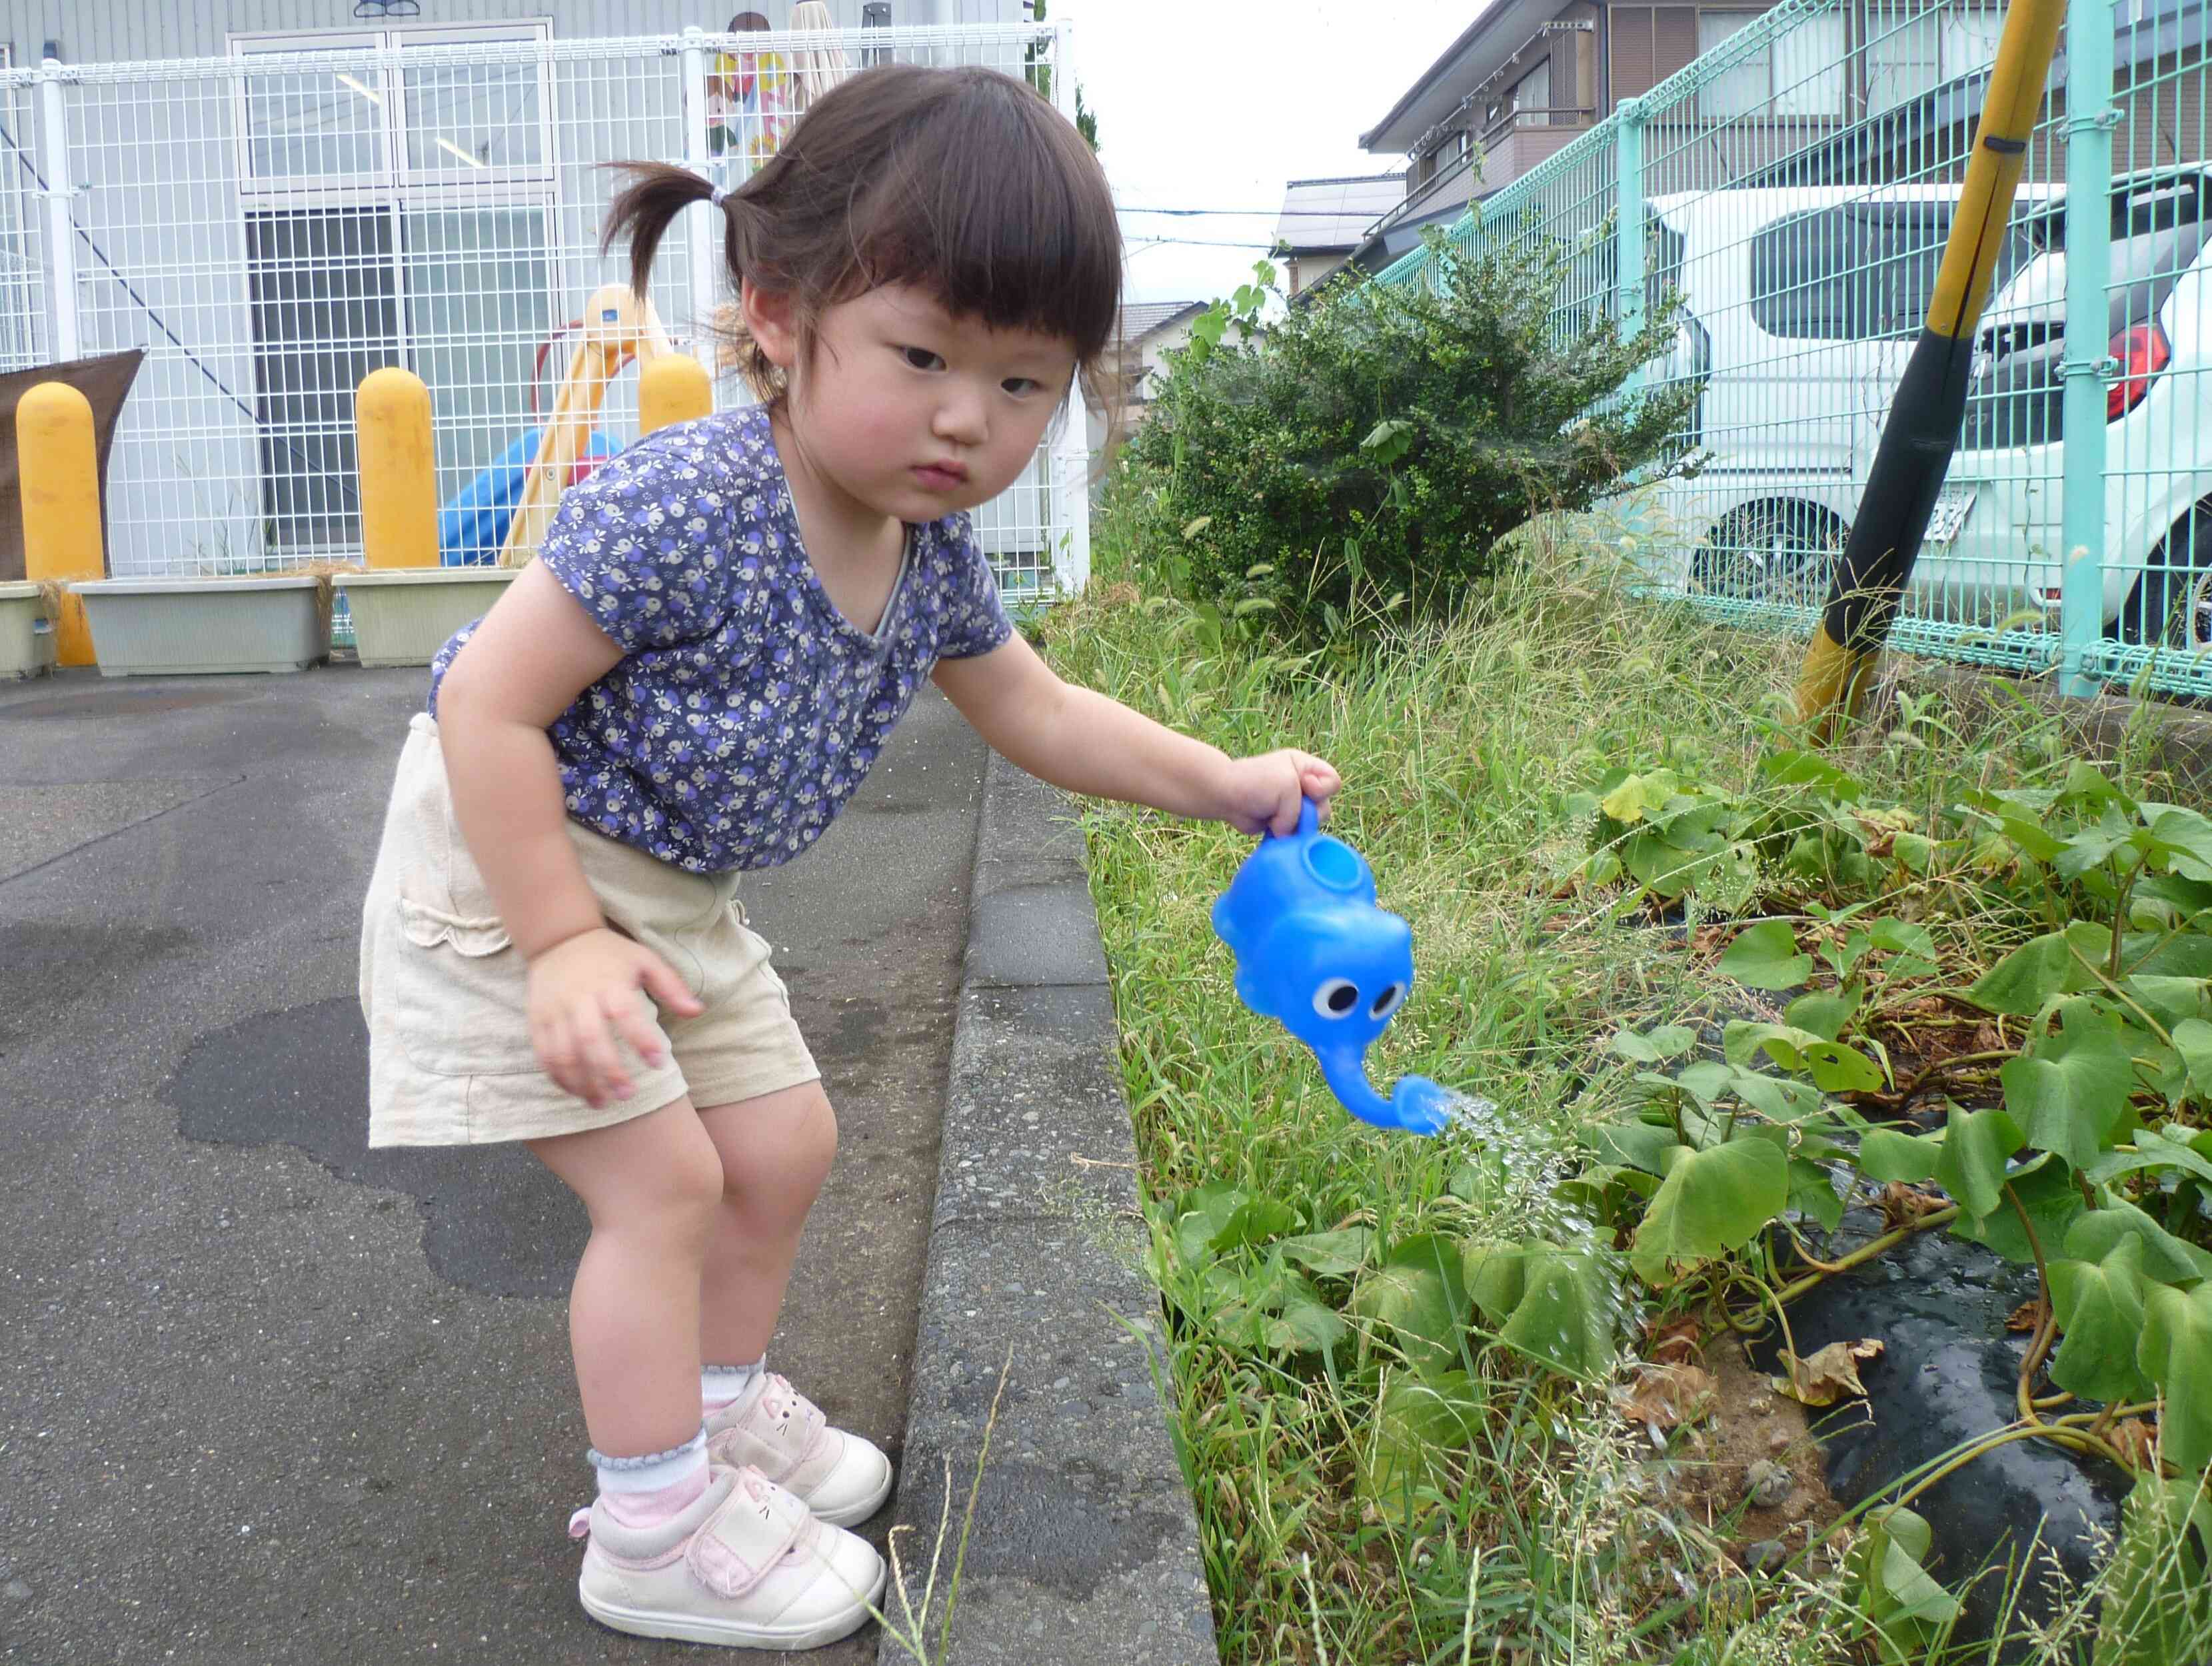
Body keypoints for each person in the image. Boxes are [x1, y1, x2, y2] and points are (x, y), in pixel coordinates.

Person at [357, 62, 1340, 1652]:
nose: (968, 417)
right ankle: (652, 1522)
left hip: (668, 891)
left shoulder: (926, 547)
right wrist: (557, 941)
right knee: (664, 1183)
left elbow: (1036, 705)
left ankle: (720, 1412)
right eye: (923, 355)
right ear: (776, 314)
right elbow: (484, 703)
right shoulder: (687, 500)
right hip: (511, 859)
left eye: (1023, 384)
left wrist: (1218, 781)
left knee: (788, 1140)